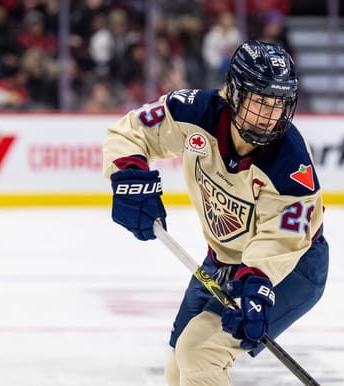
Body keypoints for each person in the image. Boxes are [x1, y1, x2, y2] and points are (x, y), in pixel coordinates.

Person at [103, 39, 329, 385]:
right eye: (259, 102)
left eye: (278, 105)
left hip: (290, 268)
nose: (269, 117)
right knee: (179, 364)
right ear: (235, 93)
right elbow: (132, 132)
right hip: (223, 258)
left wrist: (256, 282)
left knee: (201, 352)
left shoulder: (292, 165)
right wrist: (127, 176)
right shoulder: (195, 112)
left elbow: (284, 239)